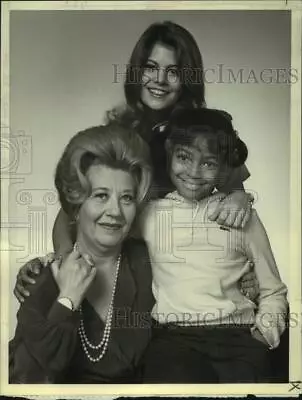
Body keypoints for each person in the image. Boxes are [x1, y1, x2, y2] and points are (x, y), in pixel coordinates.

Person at [14, 21, 258, 301]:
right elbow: (70, 213)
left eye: (173, 72)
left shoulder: (206, 130)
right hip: (128, 270)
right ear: (136, 72)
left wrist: (246, 259)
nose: (160, 80)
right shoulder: (118, 135)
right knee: (42, 293)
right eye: (150, 68)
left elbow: (237, 203)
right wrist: (62, 264)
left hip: (189, 276)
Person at [138, 108, 288, 383]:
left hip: (238, 341)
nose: (194, 173)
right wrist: (57, 257)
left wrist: (263, 334)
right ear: (169, 156)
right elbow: (103, 239)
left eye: (208, 163)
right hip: (175, 340)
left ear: (223, 166)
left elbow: (273, 291)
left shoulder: (241, 215)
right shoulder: (149, 215)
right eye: (184, 158)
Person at [9, 123, 155, 383]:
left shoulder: (152, 264)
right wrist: (66, 301)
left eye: (127, 198)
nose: (116, 212)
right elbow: (26, 380)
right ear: (76, 205)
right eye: (101, 196)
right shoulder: (41, 280)